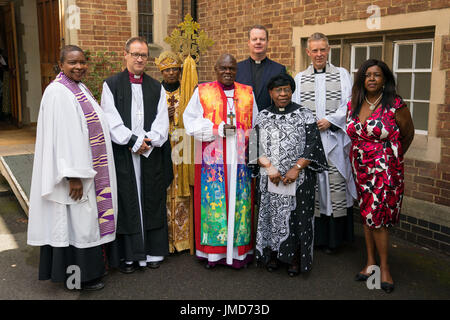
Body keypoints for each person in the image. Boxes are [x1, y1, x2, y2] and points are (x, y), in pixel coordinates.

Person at [27, 45, 117, 291]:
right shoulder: (58, 92)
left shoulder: (79, 87)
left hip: (88, 169)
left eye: (82, 62)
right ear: (61, 64)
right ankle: (81, 278)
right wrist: (73, 176)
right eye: (72, 63)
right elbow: (64, 137)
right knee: (78, 224)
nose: (79, 67)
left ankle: (87, 273)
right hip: (76, 175)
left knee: (83, 223)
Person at [101, 37, 172, 273]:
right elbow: (110, 121)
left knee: (151, 200)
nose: (140, 59)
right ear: (126, 55)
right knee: (127, 202)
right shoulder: (110, 85)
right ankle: (129, 256)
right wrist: (133, 141)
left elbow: (163, 123)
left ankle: (152, 252)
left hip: (150, 155)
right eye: (135, 54)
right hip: (125, 155)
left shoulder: (156, 87)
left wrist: (147, 142)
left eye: (144, 55)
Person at [183, 53, 258, 269]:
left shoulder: (247, 93)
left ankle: (238, 253)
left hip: (240, 160)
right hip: (212, 160)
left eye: (232, 68)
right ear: (216, 69)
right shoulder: (203, 91)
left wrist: (253, 156)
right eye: (223, 68)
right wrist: (216, 129)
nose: (227, 72)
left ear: (237, 70)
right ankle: (213, 255)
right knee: (214, 202)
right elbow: (190, 122)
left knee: (240, 203)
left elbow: (255, 124)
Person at [347, 59, 414, 293]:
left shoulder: (395, 104)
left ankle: (384, 268)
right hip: (360, 169)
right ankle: (369, 263)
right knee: (366, 215)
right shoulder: (354, 103)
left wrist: (390, 159)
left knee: (378, 218)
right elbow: (353, 135)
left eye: (376, 75)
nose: (372, 79)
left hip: (384, 171)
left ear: (385, 79)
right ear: (361, 79)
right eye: (367, 75)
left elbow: (408, 134)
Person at [250, 73, 327, 276]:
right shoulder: (263, 116)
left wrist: (297, 168)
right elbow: (254, 145)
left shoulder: (305, 114)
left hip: (299, 179)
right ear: (271, 93)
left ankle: (294, 258)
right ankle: (272, 255)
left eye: (286, 89)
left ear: (292, 91)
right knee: (270, 216)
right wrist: (269, 168)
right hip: (271, 178)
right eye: (278, 90)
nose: (283, 94)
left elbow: (313, 144)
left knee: (296, 217)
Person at [292, 32, 357, 254]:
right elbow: (296, 106)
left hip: (334, 140)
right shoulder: (300, 78)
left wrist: (331, 120)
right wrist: (309, 125)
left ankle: (336, 239)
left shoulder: (341, 75)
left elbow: (349, 102)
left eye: (323, 49)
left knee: (335, 185)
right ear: (308, 52)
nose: (319, 54)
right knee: (316, 186)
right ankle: (317, 237)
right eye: (314, 50)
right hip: (311, 141)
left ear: (328, 50)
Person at [155, 51, 192, 253]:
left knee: (184, 188)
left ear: (179, 71)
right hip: (164, 146)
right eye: (166, 69)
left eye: (174, 69)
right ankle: (168, 240)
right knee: (167, 187)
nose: (170, 73)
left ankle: (185, 239)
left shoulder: (187, 91)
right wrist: (161, 115)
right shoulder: (156, 91)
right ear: (161, 71)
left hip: (184, 146)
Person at [236, 25, 287, 111]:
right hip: (243, 120)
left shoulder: (279, 70)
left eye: (262, 39)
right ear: (248, 42)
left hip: (269, 121)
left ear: (267, 42)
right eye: (254, 39)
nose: (258, 42)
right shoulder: (237, 69)